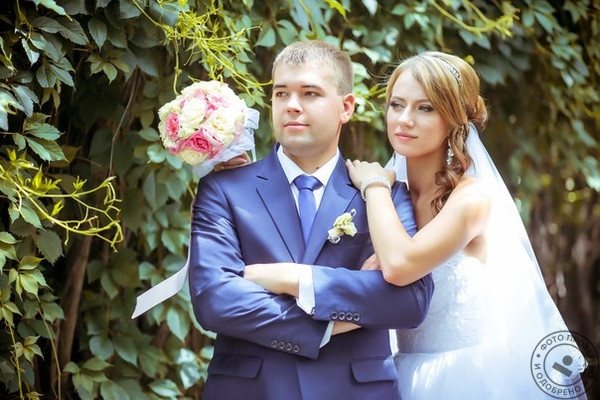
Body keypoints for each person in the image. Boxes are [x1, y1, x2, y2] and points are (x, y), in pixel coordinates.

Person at [188, 40, 434, 400]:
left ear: (346, 107)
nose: (291, 105)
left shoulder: (385, 194)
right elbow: (215, 299)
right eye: (281, 93)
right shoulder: (224, 190)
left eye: (310, 93)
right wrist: (329, 324)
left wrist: (297, 279)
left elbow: (409, 301)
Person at [344, 51, 588, 399]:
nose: (404, 119)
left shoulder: (472, 199)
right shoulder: (391, 193)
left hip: (466, 378)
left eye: (425, 108)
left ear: (453, 119)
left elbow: (399, 265)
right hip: (398, 373)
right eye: (397, 105)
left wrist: (375, 187)